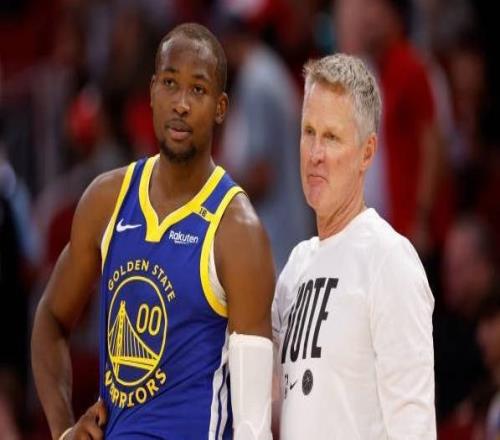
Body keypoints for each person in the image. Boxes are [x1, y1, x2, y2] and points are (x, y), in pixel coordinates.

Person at [31, 23, 275, 439]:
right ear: (151, 91)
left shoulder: (237, 231)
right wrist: (63, 429)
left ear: (220, 107)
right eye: (170, 83)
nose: (181, 103)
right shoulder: (107, 201)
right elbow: (51, 318)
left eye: (198, 89)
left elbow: (253, 423)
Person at [272, 53, 436, 439]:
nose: (315, 154)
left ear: (367, 152)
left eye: (331, 137)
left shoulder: (389, 260)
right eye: (308, 131)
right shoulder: (295, 268)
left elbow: (414, 424)